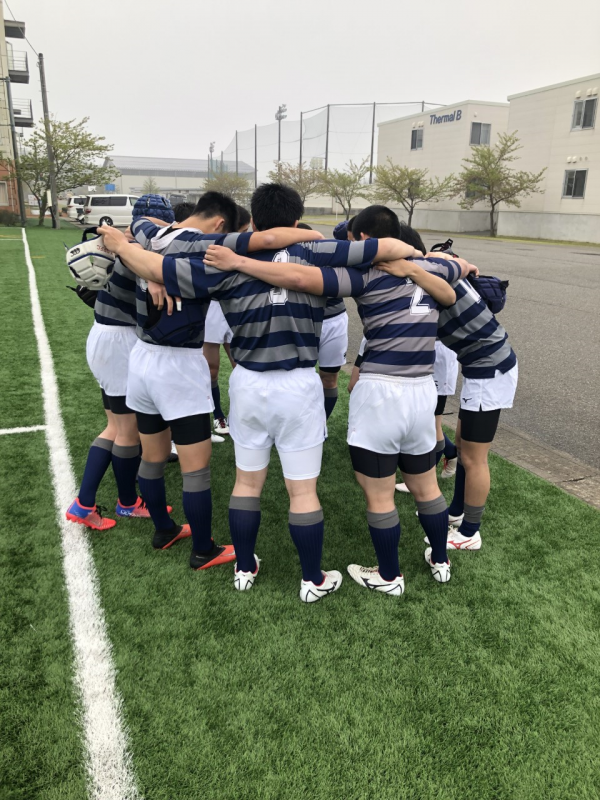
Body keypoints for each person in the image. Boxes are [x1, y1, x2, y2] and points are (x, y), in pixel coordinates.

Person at [101, 185, 421, 602]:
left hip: (249, 382)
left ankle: (244, 567)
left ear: (252, 221)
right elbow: (394, 247)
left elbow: (157, 268)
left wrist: (121, 244)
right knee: (302, 491)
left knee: (247, 484)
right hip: (299, 384)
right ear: (296, 219)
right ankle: (312, 580)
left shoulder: (222, 259)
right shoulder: (320, 251)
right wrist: (418, 260)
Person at [204, 204, 475, 595]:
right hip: (420, 389)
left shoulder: (362, 275)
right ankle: (438, 560)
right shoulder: (434, 268)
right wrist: (434, 263)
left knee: (369, 493)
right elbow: (459, 267)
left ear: (364, 239)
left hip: (368, 388)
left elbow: (298, 277)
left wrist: (239, 261)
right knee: (426, 486)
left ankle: (385, 576)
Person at [385, 224, 518, 551]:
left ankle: (470, 532)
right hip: (482, 366)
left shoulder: (427, 273)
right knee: (461, 444)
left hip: (490, 368)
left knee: (474, 458)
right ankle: (457, 513)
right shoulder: (436, 265)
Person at [66, 194, 175, 530]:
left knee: (116, 425)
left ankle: (106, 501)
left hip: (104, 336)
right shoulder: (135, 249)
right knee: (124, 430)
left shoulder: (116, 242)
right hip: (120, 341)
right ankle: (111, 503)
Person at [203, 205, 250, 436]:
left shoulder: (248, 246)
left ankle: (239, 416)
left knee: (241, 367)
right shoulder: (209, 243)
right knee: (211, 370)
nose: (246, 234)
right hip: (212, 308)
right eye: (243, 230)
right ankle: (218, 415)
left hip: (237, 306)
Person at [299, 222, 349, 421]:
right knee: (298, 377)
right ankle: (299, 423)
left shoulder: (329, 254)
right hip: (300, 320)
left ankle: (320, 425)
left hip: (334, 321)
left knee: (329, 379)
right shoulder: (283, 258)